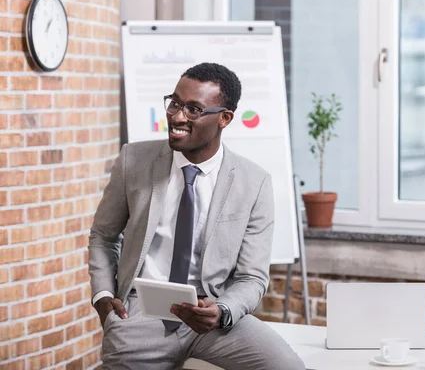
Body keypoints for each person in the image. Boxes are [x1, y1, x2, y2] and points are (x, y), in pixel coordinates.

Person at [88, 63, 305, 370]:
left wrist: (222, 310)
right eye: (175, 103)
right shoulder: (133, 161)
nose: (177, 116)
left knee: (288, 367)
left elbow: (252, 276)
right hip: (141, 311)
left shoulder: (254, 182)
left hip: (212, 313)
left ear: (224, 118)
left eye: (194, 109)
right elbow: (103, 235)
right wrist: (103, 297)